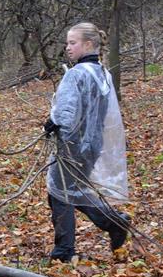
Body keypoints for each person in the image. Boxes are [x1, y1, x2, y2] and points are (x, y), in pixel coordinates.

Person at [44, 22, 130, 262]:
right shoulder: (103, 73)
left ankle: (65, 251)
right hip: (91, 146)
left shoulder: (76, 74)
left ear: (89, 44)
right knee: (73, 190)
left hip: (72, 146)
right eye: (67, 43)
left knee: (60, 194)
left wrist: (51, 123)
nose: (68, 48)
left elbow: (65, 113)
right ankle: (114, 222)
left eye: (73, 43)